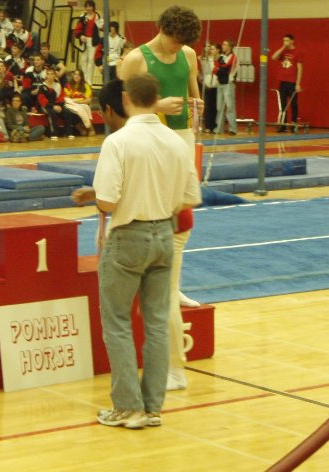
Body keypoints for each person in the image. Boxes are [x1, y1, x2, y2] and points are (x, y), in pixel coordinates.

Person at [92, 73, 201, 429]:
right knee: (156, 324)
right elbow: (191, 197)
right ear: (155, 99)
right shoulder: (176, 142)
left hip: (129, 236)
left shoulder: (118, 142)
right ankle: (152, 407)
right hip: (164, 235)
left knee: (118, 322)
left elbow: (107, 201)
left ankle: (128, 407)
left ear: (125, 100)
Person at [118, 4, 204, 391]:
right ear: (160, 30)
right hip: (151, 137)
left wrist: (194, 115)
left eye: (182, 44)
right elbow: (124, 110)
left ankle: (175, 280)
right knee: (161, 215)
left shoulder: (187, 54)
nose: (175, 50)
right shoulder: (137, 59)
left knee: (183, 214)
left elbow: (194, 96)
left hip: (181, 138)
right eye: (172, 41)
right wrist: (159, 107)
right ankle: (166, 280)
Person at [271, 33, 303, 132]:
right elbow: (273, 57)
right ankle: (283, 125)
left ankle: (293, 124)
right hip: (283, 81)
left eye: (287, 40)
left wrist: (298, 83)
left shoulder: (297, 52)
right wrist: (282, 47)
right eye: (284, 40)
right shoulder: (283, 51)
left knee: (293, 104)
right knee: (282, 104)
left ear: (292, 41)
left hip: (292, 82)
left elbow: (299, 68)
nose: (285, 42)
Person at [74, 0, 103, 84]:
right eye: (86, 6)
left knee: (91, 60)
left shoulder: (98, 17)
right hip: (84, 41)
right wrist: (80, 36)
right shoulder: (82, 17)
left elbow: (102, 28)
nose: (88, 8)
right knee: (83, 60)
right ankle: (83, 79)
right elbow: (77, 30)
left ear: (93, 7)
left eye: (90, 6)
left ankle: (89, 80)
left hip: (93, 41)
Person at [215, 39, 238, 135]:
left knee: (230, 107)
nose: (223, 46)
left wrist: (220, 68)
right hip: (220, 83)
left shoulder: (233, 57)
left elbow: (225, 69)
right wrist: (219, 68)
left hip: (228, 84)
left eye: (225, 44)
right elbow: (215, 69)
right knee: (219, 107)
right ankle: (219, 128)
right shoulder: (221, 56)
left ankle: (233, 128)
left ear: (230, 46)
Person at [200, 42, 219, 133]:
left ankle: (214, 125)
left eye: (211, 48)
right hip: (206, 84)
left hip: (216, 84)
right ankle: (207, 125)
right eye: (207, 47)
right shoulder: (202, 59)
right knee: (207, 106)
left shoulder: (218, 59)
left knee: (215, 106)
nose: (209, 50)